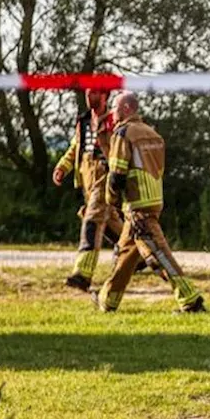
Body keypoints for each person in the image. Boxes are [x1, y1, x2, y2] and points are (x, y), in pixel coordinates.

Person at [94, 91, 205, 313]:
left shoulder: (123, 134)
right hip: (153, 202)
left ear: (126, 108)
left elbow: (117, 174)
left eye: (115, 108)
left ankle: (191, 301)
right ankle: (107, 301)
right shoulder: (153, 134)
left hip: (138, 207)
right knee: (125, 256)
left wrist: (111, 200)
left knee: (159, 256)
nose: (112, 113)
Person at [52, 87, 126, 292]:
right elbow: (75, 147)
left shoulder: (114, 120)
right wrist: (62, 167)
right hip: (86, 177)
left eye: (94, 92)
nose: (89, 96)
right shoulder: (83, 121)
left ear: (105, 96)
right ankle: (137, 254)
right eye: (87, 92)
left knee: (92, 219)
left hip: (105, 175)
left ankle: (82, 273)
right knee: (108, 220)